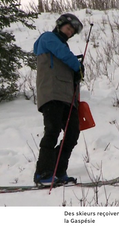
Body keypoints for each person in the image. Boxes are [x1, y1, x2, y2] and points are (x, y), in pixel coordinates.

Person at [33, 13, 85, 185]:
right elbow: (63, 55)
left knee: (72, 134)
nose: (69, 32)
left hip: (67, 98)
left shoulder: (65, 51)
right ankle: (43, 173)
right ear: (59, 25)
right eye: (68, 28)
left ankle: (58, 170)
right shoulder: (47, 38)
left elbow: (67, 62)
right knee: (52, 131)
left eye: (72, 32)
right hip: (51, 94)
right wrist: (77, 66)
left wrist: (76, 73)